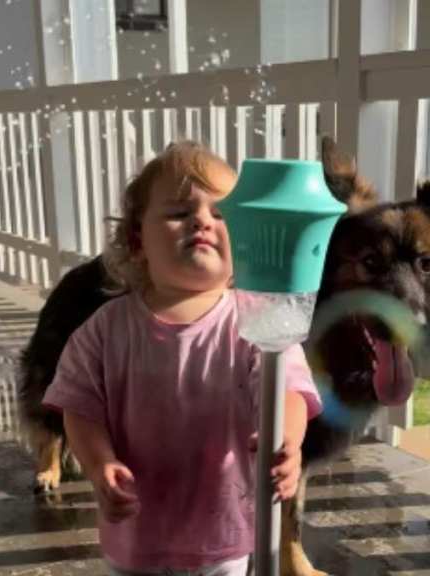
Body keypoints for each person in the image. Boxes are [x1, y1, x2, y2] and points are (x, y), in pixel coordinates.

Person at [43, 141, 322, 575]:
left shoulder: (255, 322)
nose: (202, 222)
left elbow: (287, 390)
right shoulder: (106, 328)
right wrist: (99, 464)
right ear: (137, 239)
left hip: (220, 532)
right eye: (179, 213)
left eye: (222, 214)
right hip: (135, 532)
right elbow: (79, 408)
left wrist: (287, 440)